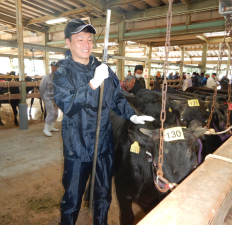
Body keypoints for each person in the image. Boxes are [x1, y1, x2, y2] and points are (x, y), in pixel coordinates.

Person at [53, 18, 154, 225]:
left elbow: (116, 98)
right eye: (80, 39)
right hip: (77, 146)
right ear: (67, 43)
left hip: (104, 146)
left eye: (89, 39)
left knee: (103, 196)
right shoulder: (62, 73)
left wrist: (132, 115)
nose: (86, 44)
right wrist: (92, 84)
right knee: (72, 200)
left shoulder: (103, 69)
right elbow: (68, 106)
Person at [39, 61, 60, 137]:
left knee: (56, 113)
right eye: (52, 67)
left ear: (58, 68)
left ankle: (51, 127)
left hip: (56, 98)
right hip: (47, 97)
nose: (53, 68)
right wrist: (43, 97)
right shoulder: (46, 78)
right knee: (51, 113)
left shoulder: (59, 77)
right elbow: (41, 88)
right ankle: (46, 129)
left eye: (55, 67)